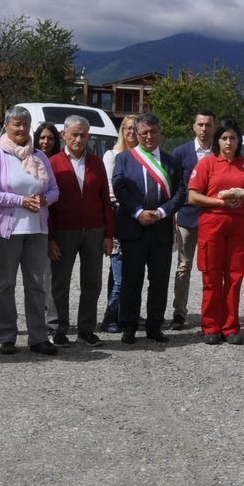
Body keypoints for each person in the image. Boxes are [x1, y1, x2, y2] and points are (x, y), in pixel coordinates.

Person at [0, 106, 60, 355]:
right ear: (6, 126)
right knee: (5, 284)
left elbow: (54, 189)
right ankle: (7, 336)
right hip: (6, 230)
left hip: (36, 229)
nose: (22, 128)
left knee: (36, 284)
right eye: (16, 124)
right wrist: (20, 201)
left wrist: (44, 200)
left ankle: (38, 337)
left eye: (25, 123)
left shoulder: (40, 157)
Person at [110, 114, 184, 344]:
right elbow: (119, 188)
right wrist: (138, 212)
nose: (149, 136)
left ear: (159, 132)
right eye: (144, 133)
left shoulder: (172, 161)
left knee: (159, 281)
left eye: (153, 132)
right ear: (137, 134)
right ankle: (129, 326)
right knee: (131, 280)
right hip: (134, 226)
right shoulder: (124, 158)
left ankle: (154, 325)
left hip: (161, 228)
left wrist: (162, 212)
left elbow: (181, 192)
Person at [187, 117, 244, 345]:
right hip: (213, 224)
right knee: (211, 277)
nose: (228, 142)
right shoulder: (207, 164)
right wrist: (219, 203)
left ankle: (231, 326)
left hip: (238, 226)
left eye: (233, 138)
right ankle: (210, 326)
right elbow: (192, 195)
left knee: (234, 277)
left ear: (239, 141)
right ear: (218, 141)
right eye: (224, 138)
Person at [46, 115, 114, 347]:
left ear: (88, 136)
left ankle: (86, 329)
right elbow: (49, 206)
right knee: (60, 281)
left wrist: (108, 235)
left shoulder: (96, 163)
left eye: (83, 135)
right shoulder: (52, 162)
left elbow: (105, 198)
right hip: (64, 231)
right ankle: (57, 328)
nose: (78, 139)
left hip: (94, 230)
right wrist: (50, 238)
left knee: (92, 281)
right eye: (74, 134)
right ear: (63, 135)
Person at [168, 110, 216, 330]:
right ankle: (179, 312)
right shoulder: (180, 153)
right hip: (187, 217)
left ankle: (212, 312)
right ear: (194, 127)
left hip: (214, 217)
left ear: (214, 127)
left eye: (208, 124)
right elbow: (175, 185)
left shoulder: (220, 151)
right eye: (200, 124)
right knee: (183, 266)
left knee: (212, 268)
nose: (204, 129)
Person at [100, 115, 139, 333]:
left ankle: (125, 312)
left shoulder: (144, 156)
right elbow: (108, 188)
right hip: (119, 215)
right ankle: (109, 317)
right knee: (119, 274)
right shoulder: (112, 155)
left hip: (138, 218)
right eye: (127, 128)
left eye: (135, 128)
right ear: (122, 130)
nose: (131, 132)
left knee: (127, 272)